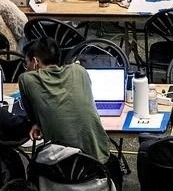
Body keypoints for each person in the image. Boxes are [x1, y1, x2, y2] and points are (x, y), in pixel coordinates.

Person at [19, 38, 111, 166]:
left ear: (35, 62)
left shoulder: (26, 79)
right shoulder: (79, 70)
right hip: (99, 160)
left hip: (62, 166)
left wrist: (36, 123)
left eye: (26, 64)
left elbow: (33, 116)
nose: (26, 68)